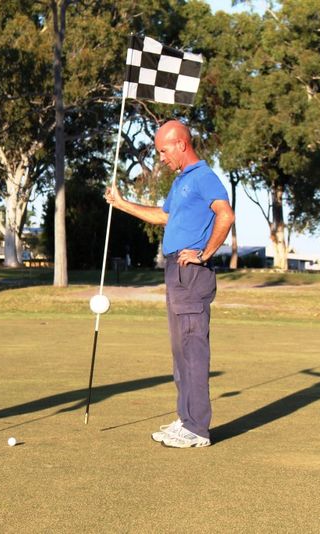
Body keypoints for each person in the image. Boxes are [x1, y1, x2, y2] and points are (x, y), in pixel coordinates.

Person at [105, 120, 234, 448]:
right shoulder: (181, 183)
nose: (161, 157)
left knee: (192, 348)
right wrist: (122, 204)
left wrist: (205, 254)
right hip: (176, 270)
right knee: (180, 351)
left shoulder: (204, 177)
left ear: (181, 144)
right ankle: (187, 419)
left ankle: (197, 429)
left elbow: (226, 215)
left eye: (163, 150)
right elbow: (164, 217)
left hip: (192, 273)